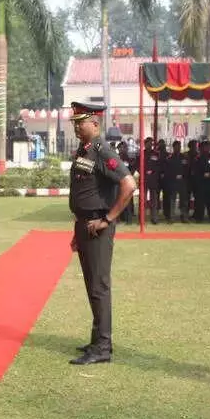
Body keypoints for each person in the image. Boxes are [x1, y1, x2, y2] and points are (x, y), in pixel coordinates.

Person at [67, 102, 136, 366]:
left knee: (99, 286)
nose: (76, 125)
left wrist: (108, 218)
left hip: (98, 226)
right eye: (74, 121)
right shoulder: (84, 150)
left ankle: (103, 347)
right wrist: (78, 228)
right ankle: (97, 339)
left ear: (94, 124)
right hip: (84, 225)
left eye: (80, 121)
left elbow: (129, 185)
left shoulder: (102, 149)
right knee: (92, 286)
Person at [163, 140, 189, 223]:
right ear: (173, 147)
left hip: (182, 181)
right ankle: (171, 217)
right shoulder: (169, 158)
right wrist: (174, 176)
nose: (178, 148)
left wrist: (183, 176)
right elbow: (167, 170)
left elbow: (187, 169)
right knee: (172, 200)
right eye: (176, 146)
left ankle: (184, 217)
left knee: (183, 200)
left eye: (179, 146)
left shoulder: (184, 157)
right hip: (173, 181)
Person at [193, 140, 210, 223]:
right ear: (201, 148)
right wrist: (202, 174)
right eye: (206, 146)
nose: (208, 148)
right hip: (200, 182)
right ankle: (199, 218)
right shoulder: (197, 157)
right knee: (200, 201)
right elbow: (195, 169)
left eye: (209, 146)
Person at [142, 137, 163, 224]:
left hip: (153, 179)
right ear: (145, 144)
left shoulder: (156, 154)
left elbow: (159, 165)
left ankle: (154, 218)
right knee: (142, 200)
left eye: (151, 143)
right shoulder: (141, 154)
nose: (150, 145)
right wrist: (144, 172)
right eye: (149, 143)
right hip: (144, 179)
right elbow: (138, 165)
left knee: (154, 200)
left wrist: (153, 171)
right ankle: (142, 218)